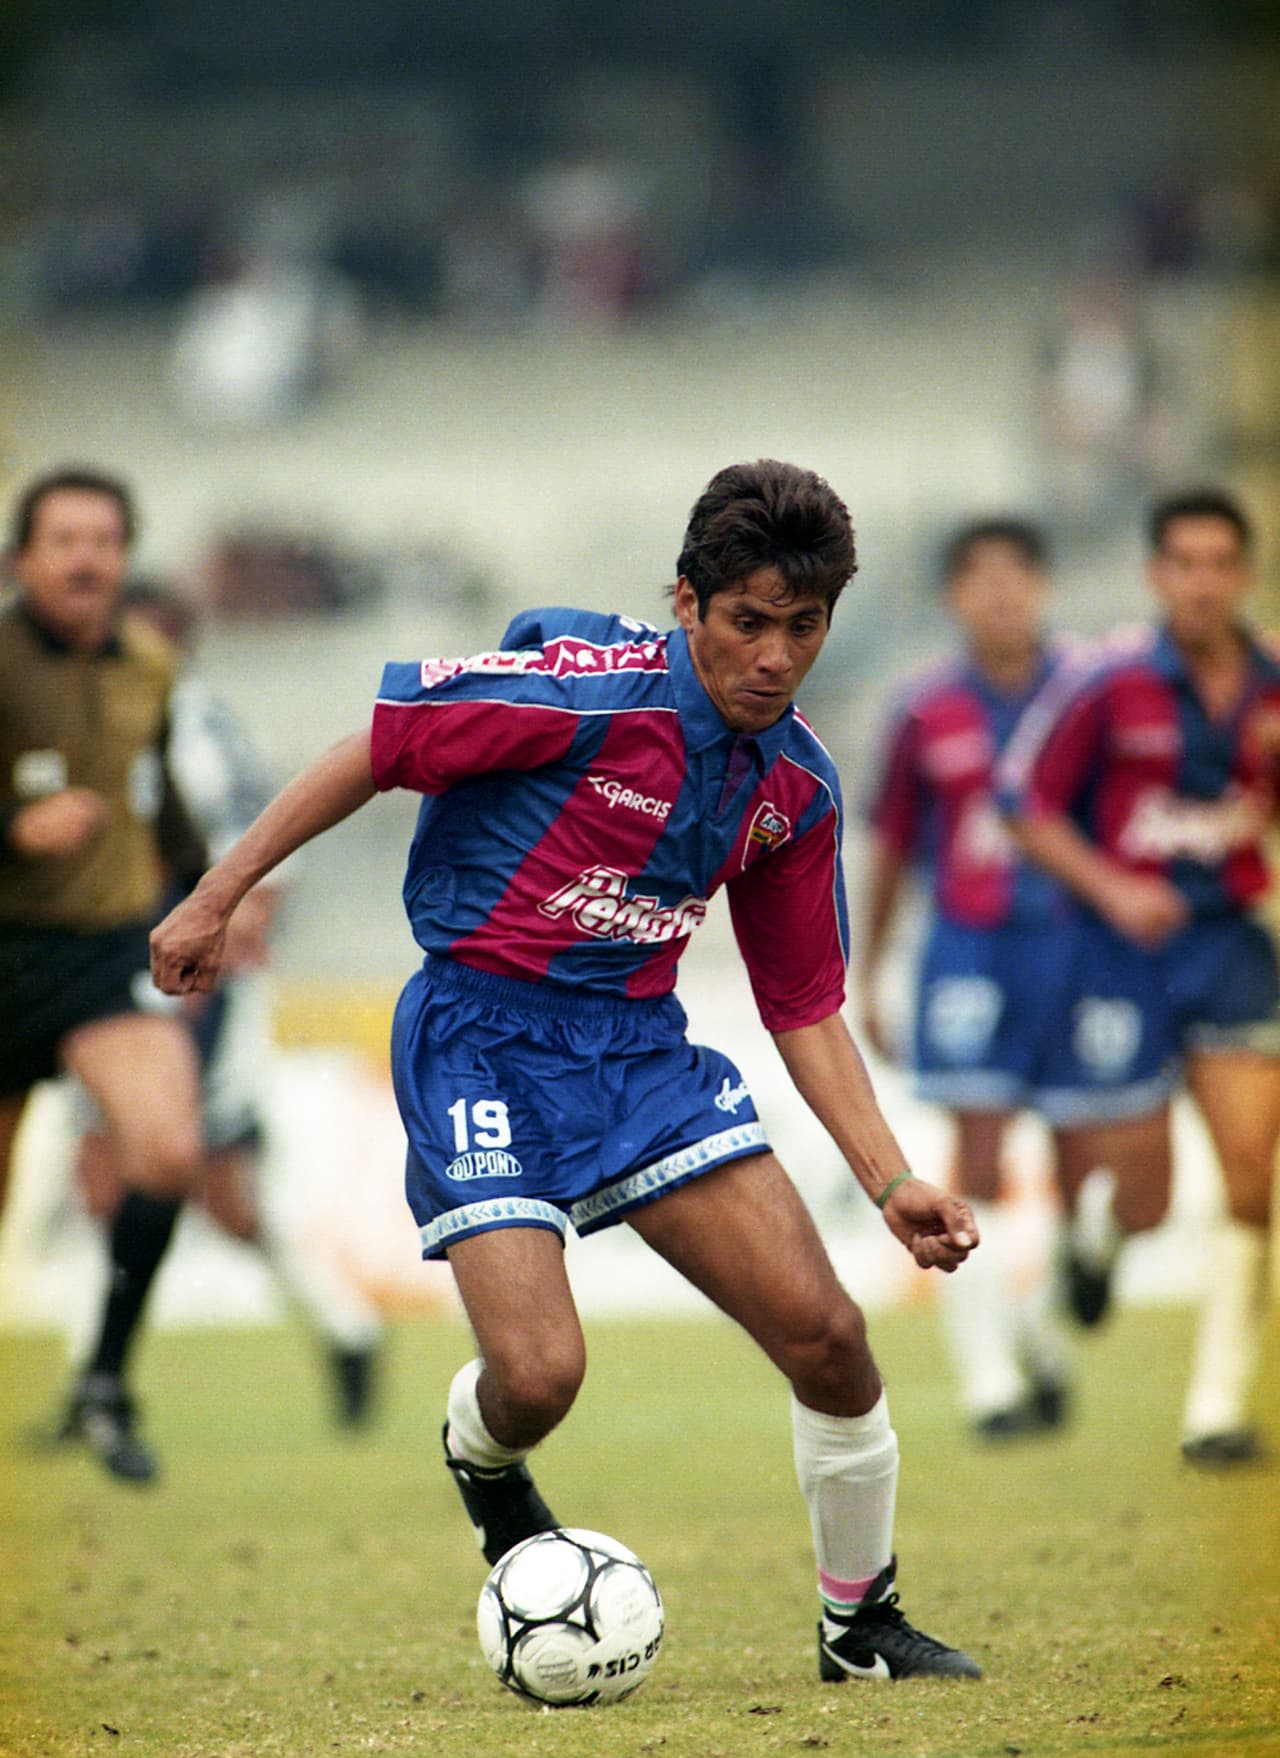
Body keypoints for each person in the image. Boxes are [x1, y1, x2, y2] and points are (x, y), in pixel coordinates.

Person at [151, 459, 983, 1684]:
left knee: (829, 1336)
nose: (773, 656)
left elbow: (801, 1004)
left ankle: (858, 1627)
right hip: (477, 1036)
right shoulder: (580, 697)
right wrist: (216, 898)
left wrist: (888, 1177)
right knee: (539, 1376)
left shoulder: (792, 787)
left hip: (637, 1054)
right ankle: (481, 1456)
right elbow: (374, 750)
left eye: (801, 628)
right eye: (747, 622)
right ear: (686, 603)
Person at [1002, 485, 1280, 1465]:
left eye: (1219, 562)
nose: (1202, 581)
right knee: (1146, 1196)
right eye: (1183, 563)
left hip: (1228, 945)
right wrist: (1113, 891)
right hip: (1119, 952)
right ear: (1154, 574)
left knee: (1251, 1174)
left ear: (1241, 573)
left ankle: (1212, 1411)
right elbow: (1022, 804)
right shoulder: (1104, 680)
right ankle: (1093, 1251)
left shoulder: (1269, 685)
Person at [67, 579, 385, 1427]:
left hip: (196, 998)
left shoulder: (197, 726)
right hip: (111, 982)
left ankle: (345, 1326)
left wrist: (204, 976)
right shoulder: (98, 721)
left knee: (217, 1193)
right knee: (102, 1176)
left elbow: (267, 875)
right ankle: (92, 1374)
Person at [0, 467, 205, 1480]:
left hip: (101, 953)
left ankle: (105, 1380)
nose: (87, 558)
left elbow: (157, 796)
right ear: (21, 559)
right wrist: (11, 825)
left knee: (168, 1152)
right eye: (64, 539)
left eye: (104, 540)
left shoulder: (148, 662)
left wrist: (217, 889)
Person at [859, 517, 1079, 1441]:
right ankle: (988, 1381)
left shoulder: (1088, 692)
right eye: (979, 578)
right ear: (954, 595)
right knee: (976, 1158)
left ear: (1040, 586)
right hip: (969, 953)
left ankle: (1039, 1329)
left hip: (1077, 948)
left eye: (1016, 575)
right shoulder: (923, 708)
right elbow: (892, 846)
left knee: (1091, 1168)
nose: (999, 594)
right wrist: (868, 972)